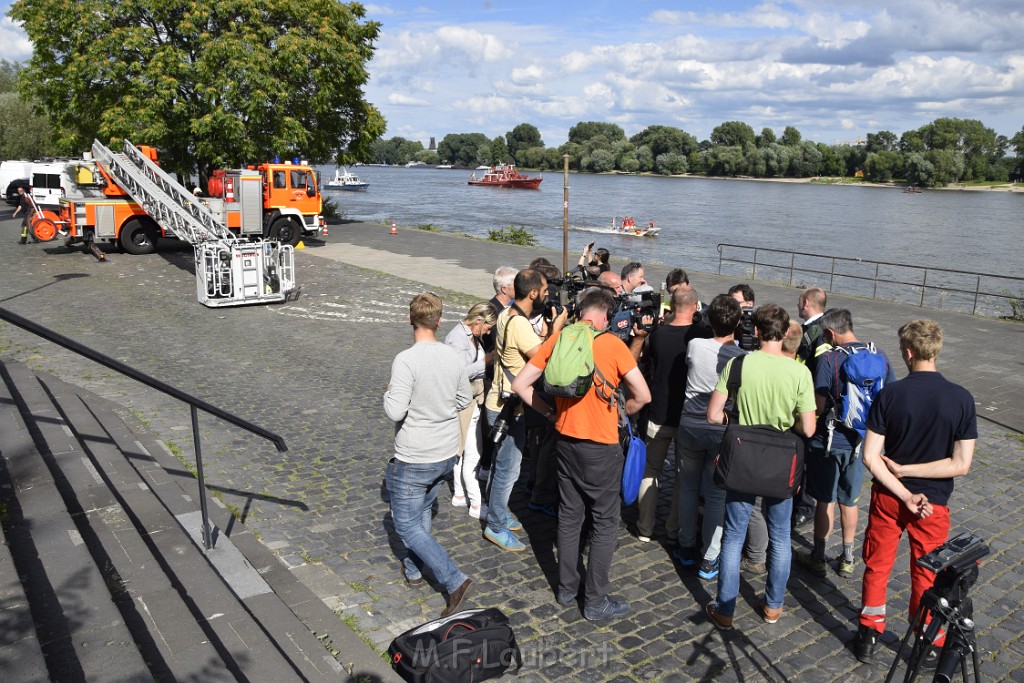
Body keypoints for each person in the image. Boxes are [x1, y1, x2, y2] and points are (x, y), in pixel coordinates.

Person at [512, 287, 651, 621]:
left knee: (570, 515)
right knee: (605, 523)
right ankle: (595, 601)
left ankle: (566, 588)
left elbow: (520, 385)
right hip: (601, 447)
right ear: (604, 316)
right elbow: (642, 395)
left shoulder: (558, 339)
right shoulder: (611, 344)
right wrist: (623, 413)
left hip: (564, 442)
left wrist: (549, 414)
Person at [854, 319, 976, 665]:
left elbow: (870, 456)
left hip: (890, 499)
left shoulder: (889, 395)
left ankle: (868, 632)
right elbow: (961, 464)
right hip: (934, 503)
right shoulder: (961, 399)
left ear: (908, 352)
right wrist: (915, 478)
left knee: (877, 564)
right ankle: (926, 643)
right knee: (928, 573)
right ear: (935, 350)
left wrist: (903, 482)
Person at [704, 304, 816, 630]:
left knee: (734, 536)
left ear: (755, 331)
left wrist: (732, 418)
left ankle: (725, 608)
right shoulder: (799, 372)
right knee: (781, 536)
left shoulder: (738, 364)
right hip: (780, 459)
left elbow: (713, 416)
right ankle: (773, 606)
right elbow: (808, 429)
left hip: (742, 456)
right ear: (783, 335)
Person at [384, 292, 474, 617]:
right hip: (445, 452)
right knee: (422, 511)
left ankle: (454, 579)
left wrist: (388, 394)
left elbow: (395, 411)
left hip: (415, 454)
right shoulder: (452, 357)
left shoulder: (406, 360)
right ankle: (413, 568)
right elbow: (464, 400)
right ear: (438, 320)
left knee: (405, 525)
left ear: (410, 319)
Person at [795, 308, 896, 580]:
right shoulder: (880, 355)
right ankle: (848, 557)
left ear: (830, 333)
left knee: (825, 500)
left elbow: (817, 404)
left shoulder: (830, 359)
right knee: (849, 501)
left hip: (828, 440)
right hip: (862, 441)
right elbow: (889, 398)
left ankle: (818, 556)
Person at [483, 269, 566, 552]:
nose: (547, 293)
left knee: (500, 465)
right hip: (509, 408)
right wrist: (555, 331)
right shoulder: (518, 324)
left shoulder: (507, 313)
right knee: (508, 469)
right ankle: (495, 525)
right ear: (532, 293)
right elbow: (544, 359)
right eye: (544, 289)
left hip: (498, 401)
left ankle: (497, 509)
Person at [675, 294, 745, 579]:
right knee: (716, 495)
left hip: (690, 424)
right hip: (720, 428)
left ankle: (686, 545)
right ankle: (710, 556)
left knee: (688, 488)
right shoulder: (742, 357)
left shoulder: (694, 345)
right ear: (738, 323)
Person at [635, 286, 705, 544]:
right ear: (695, 307)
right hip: (688, 415)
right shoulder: (701, 337)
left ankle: (645, 527)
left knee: (650, 470)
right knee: (682, 476)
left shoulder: (657, 335)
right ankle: (674, 528)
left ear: (671, 306)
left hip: (658, 412)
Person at [445, 302, 497, 519]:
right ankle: (476, 504)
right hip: (465, 400)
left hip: (469, 399)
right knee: (472, 452)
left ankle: (459, 494)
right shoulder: (458, 338)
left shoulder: (468, 336)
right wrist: (487, 359)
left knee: (463, 450)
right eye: (487, 327)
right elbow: (461, 371)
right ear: (478, 321)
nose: (488, 332)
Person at [793, 287, 829, 528]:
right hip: (810, 401)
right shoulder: (823, 328)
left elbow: (818, 370)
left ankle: (804, 506)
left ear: (806, 303)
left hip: (809, 403)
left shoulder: (815, 332)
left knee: (805, 457)